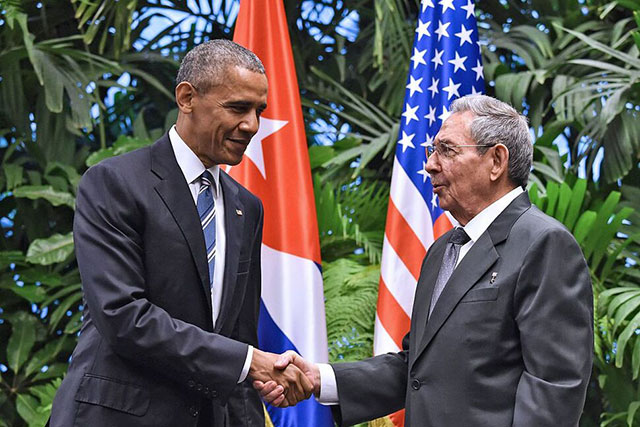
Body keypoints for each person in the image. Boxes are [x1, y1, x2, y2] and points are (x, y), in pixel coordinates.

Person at [256, 94, 594, 426]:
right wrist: (318, 378)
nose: (430, 164)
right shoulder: (442, 250)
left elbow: (554, 389)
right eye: (432, 151)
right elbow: (416, 370)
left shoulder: (544, 244)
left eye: (447, 150)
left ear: (496, 161)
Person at [50, 40, 311, 427]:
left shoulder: (247, 207)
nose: (252, 125)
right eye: (238, 108)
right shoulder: (114, 183)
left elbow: (237, 336)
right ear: (187, 97)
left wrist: (248, 373)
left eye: (259, 111)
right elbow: (122, 316)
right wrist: (246, 361)